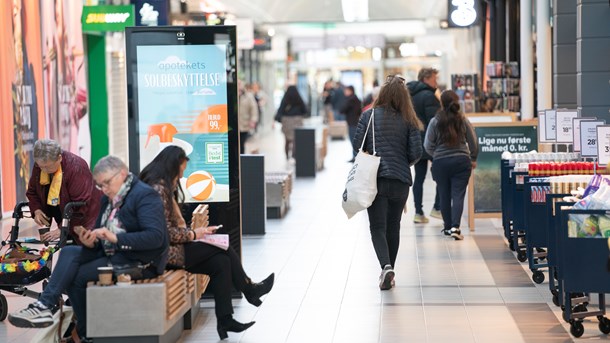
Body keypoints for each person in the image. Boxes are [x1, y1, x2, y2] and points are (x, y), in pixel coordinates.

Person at [9, 156, 169, 342]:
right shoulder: (108, 199)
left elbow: (155, 238)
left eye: (107, 183)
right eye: (100, 185)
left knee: (74, 275)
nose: (105, 189)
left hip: (141, 261)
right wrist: (90, 240)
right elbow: (101, 233)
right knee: (69, 253)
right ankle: (48, 308)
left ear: (123, 174)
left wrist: (116, 238)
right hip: (114, 252)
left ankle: (81, 330)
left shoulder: (144, 195)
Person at [139, 145, 274, 339]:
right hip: (164, 253)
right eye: (182, 170)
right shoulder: (158, 190)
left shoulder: (160, 186)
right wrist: (194, 234)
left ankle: (226, 320)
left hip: (170, 249)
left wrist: (196, 233)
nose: (182, 175)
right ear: (172, 166)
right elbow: (165, 233)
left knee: (221, 263)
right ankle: (249, 288)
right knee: (224, 246)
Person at [352, 75, 423, 290]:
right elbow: (417, 153)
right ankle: (389, 271)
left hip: (376, 180)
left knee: (377, 227)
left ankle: (386, 266)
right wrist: (402, 163)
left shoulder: (369, 116)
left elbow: (357, 144)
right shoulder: (409, 120)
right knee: (394, 227)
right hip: (400, 181)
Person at [424, 90, 478, 241]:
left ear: (441, 103)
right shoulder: (462, 120)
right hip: (461, 161)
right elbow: (473, 140)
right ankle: (455, 227)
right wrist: (473, 157)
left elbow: (427, 145)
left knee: (444, 194)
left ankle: (447, 227)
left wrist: (437, 155)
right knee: (458, 194)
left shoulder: (435, 121)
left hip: (441, 163)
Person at [27, 139, 102, 243]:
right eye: (41, 166)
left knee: (81, 254)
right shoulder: (39, 166)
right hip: (63, 217)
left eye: (48, 167)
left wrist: (63, 228)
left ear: (59, 158)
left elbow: (82, 205)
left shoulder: (76, 167)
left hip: (86, 221)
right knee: (68, 253)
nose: (44, 170)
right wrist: (37, 210)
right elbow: (32, 191)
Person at [407, 68, 442, 224]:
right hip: (431, 144)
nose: (436, 83)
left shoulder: (409, 96)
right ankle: (437, 207)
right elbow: (435, 123)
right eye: (435, 79)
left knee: (419, 178)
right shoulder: (429, 96)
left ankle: (418, 212)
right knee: (441, 176)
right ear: (426, 79)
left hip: (415, 143)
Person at [274, 85, 307, 160]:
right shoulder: (299, 98)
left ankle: (287, 156)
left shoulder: (285, 98)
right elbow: (304, 110)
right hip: (297, 121)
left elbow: (280, 111)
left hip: (287, 122)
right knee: (296, 140)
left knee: (287, 140)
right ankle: (294, 155)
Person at [340, 85, 362, 161]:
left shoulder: (350, 100)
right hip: (356, 122)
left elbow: (342, 109)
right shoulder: (357, 99)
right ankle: (355, 156)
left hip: (352, 123)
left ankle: (355, 157)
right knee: (355, 140)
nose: (345, 92)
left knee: (353, 140)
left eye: (346, 91)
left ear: (350, 91)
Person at [238, 80, 259, 154]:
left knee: (242, 143)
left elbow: (254, 109)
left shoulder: (248, 96)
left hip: (244, 124)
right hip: (234, 126)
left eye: (240, 84)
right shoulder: (231, 94)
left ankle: (241, 158)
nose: (238, 86)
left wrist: (253, 120)